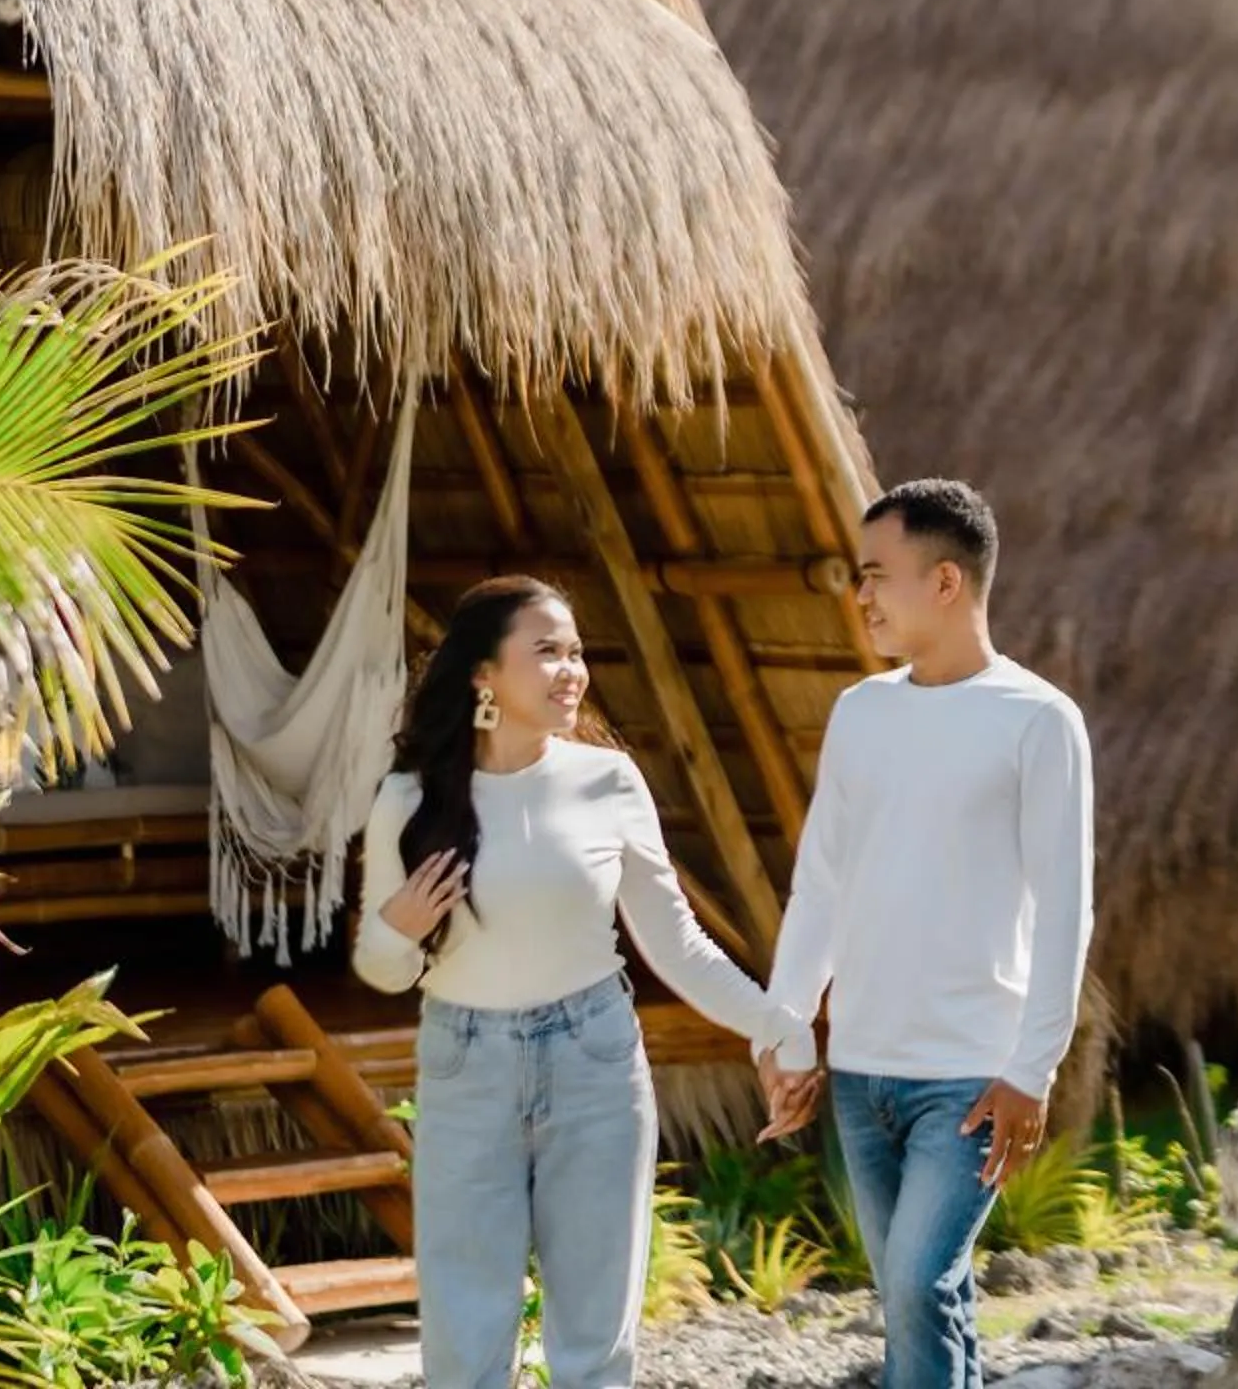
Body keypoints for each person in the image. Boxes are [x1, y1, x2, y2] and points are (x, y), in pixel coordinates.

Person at [355, 575, 813, 1389]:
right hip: (465, 1064)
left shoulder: (609, 781)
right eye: (546, 652)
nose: (571, 670)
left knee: (596, 1333)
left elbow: (676, 941)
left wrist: (778, 1025)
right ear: (483, 674)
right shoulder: (409, 798)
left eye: (575, 653)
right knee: (466, 1330)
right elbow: (382, 970)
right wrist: (399, 924)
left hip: (595, 1057)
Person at [760, 479, 1096, 1389]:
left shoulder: (1039, 721)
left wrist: (1032, 1070)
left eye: (878, 574)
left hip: (972, 1080)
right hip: (863, 1070)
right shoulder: (859, 713)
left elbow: (1067, 908)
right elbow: (822, 882)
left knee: (914, 1285)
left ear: (946, 583)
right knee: (922, 1296)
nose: (860, 594)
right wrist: (788, 1026)